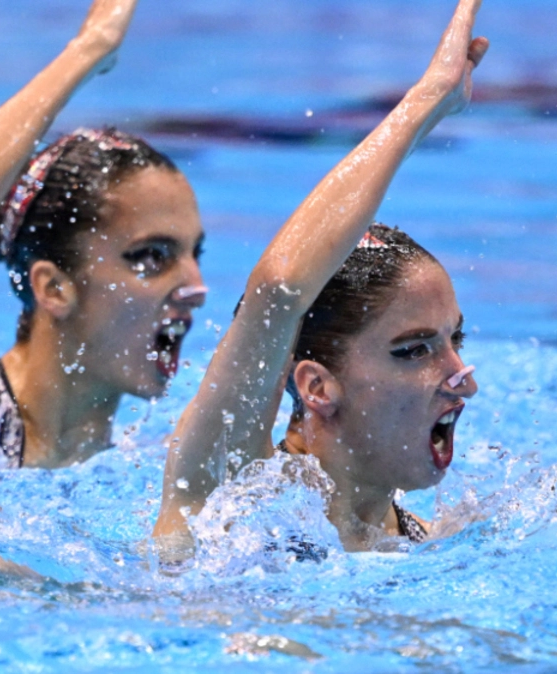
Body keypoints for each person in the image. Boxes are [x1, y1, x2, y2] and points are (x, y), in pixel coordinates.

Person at [154, 0, 488, 554]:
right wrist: (426, 101)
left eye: (455, 340)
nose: (463, 381)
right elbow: (279, 290)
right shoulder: (234, 503)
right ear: (317, 387)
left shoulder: (427, 542)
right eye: (414, 351)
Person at [0, 0, 207, 469]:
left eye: (195, 254)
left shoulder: (155, 466)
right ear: (54, 288)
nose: (197, 288)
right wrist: (90, 48)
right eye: (152, 256)